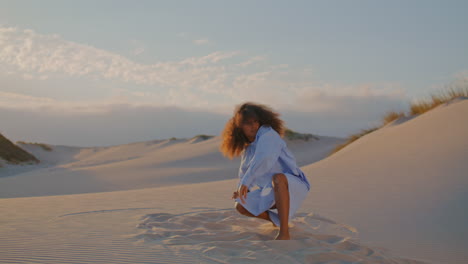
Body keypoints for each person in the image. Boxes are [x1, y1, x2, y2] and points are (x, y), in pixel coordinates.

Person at [219, 102, 311, 240]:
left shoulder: (268, 134)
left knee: (278, 178)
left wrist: (246, 181)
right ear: (239, 127)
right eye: (248, 123)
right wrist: (242, 189)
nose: (254, 126)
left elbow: (264, 158)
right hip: (271, 191)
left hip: (292, 185)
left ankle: (284, 233)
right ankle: (277, 220)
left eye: (256, 121)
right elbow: (244, 173)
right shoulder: (248, 149)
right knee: (240, 206)